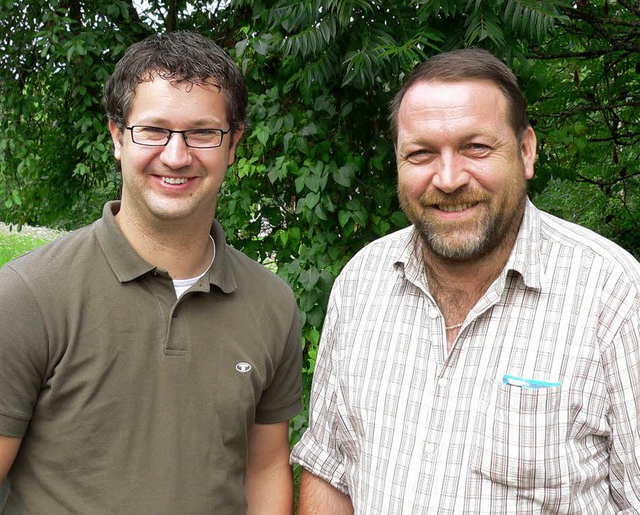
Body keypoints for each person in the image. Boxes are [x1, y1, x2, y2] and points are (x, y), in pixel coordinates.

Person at [291, 48, 640, 514]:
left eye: (476, 147)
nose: (449, 178)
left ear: (526, 150)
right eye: (421, 153)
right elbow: (331, 470)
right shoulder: (360, 283)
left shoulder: (614, 297)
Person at [0, 32, 302, 514]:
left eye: (203, 132)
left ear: (234, 144)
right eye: (153, 130)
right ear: (118, 136)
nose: (177, 156)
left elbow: (263, 468)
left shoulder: (272, 304)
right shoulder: (27, 296)